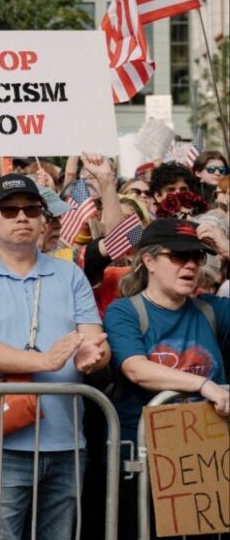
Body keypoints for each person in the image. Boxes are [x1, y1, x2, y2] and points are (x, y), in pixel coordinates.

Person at [0, 173, 110, 540]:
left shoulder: (71, 275)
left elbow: (97, 345)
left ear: (43, 218)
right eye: (9, 210)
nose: (22, 217)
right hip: (0, 443)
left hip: (68, 440)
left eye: (31, 209)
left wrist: (92, 355)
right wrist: (47, 362)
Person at [102, 217, 229, 538]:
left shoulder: (212, 310)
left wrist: (228, 251)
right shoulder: (124, 311)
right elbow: (136, 368)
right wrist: (204, 385)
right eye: (178, 256)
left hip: (206, 463)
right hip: (145, 462)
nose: (190, 265)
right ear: (149, 261)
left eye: (197, 257)